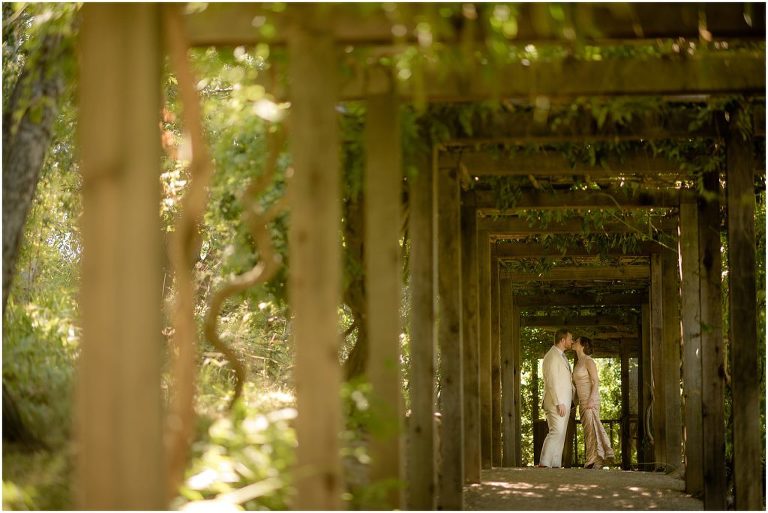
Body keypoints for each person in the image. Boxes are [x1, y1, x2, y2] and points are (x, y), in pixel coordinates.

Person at [572, 336, 615, 469]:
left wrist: (591, 399)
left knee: (593, 428)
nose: (573, 342)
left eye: (576, 341)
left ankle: (594, 460)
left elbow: (596, 381)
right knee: (588, 430)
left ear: (583, 345)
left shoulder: (588, 361)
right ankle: (595, 460)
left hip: (591, 399)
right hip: (582, 400)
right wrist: (575, 402)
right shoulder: (578, 362)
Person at [538, 328, 575, 468]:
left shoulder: (561, 355)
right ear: (563, 340)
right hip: (555, 402)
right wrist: (559, 402)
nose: (572, 341)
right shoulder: (552, 356)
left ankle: (555, 466)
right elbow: (552, 381)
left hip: (563, 403)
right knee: (556, 432)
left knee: (561, 435)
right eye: (570, 338)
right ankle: (544, 463)